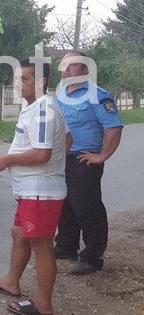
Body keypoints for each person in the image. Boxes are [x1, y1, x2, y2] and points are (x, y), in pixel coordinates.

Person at [0, 59, 69, 315]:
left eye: (24, 79)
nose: (17, 84)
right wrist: (57, 164)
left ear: (41, 82)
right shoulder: (40, 107)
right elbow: (67, 138)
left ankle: (43, 304)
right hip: (31, 189)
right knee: (19, 234)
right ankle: (10, 282)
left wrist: (7, 160)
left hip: (40, 192)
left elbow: (42, 154)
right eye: (17, 79)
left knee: (41, 245)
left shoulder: (43, 111)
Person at [54, 51, 123, 275]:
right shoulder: (61, 93)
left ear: (84, 70)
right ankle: (66, 247)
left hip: (84, 159)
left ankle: (92, 257)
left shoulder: (98, 95)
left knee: (87, 207)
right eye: (64, 65)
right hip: (61, 157)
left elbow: (113, 127)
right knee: (64, 204)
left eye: (71, 65)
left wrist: (102, 156)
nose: (65, 69)